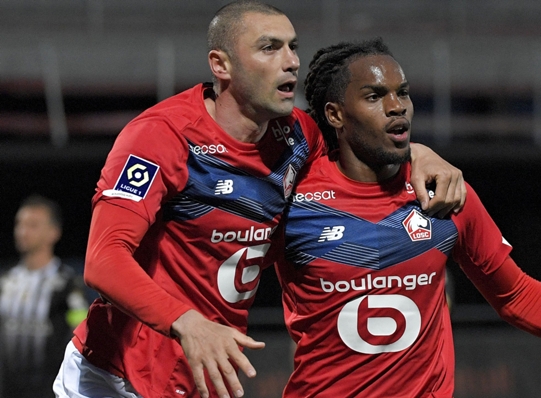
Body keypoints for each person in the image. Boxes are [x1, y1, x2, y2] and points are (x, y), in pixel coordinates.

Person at [52, 2, 466, 398]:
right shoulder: (161, 137)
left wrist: (418, 152)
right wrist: (187, 322)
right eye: (270, 48)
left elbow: (363, 139)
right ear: (221, 65)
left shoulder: (299, 136)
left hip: (201, 378)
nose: (291, 61)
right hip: (112, 377)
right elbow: (104, 260)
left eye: (292, 47)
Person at [274, 38, 541, 397]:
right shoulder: (292, 199)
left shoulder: (443, 192)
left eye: (403, 92)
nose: (397, 107)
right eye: (375, 95)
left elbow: (516, 295)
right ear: (335, 114)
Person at [0, 195, 88, 397]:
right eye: (19, 224)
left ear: (53, 233)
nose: (23, 232)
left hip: (49, 391)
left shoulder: (67, 284)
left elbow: (80, 331)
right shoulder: (5, 281)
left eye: (33, 225)